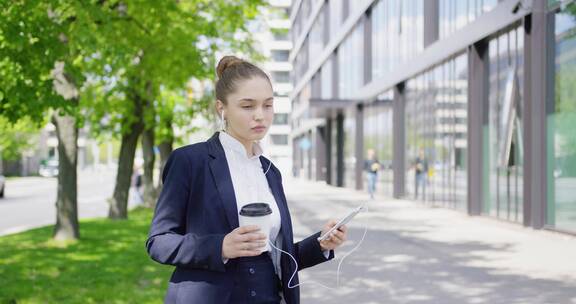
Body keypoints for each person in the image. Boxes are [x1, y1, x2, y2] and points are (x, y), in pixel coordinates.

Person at [146, 56, 348, 304]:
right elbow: (159, 242)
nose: (260, 116)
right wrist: (220, 247)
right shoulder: (190, 161)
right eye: (247, 106)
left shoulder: (270, 171)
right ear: (222, 108)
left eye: (268, 105)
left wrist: (321, 244)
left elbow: (278, 255)